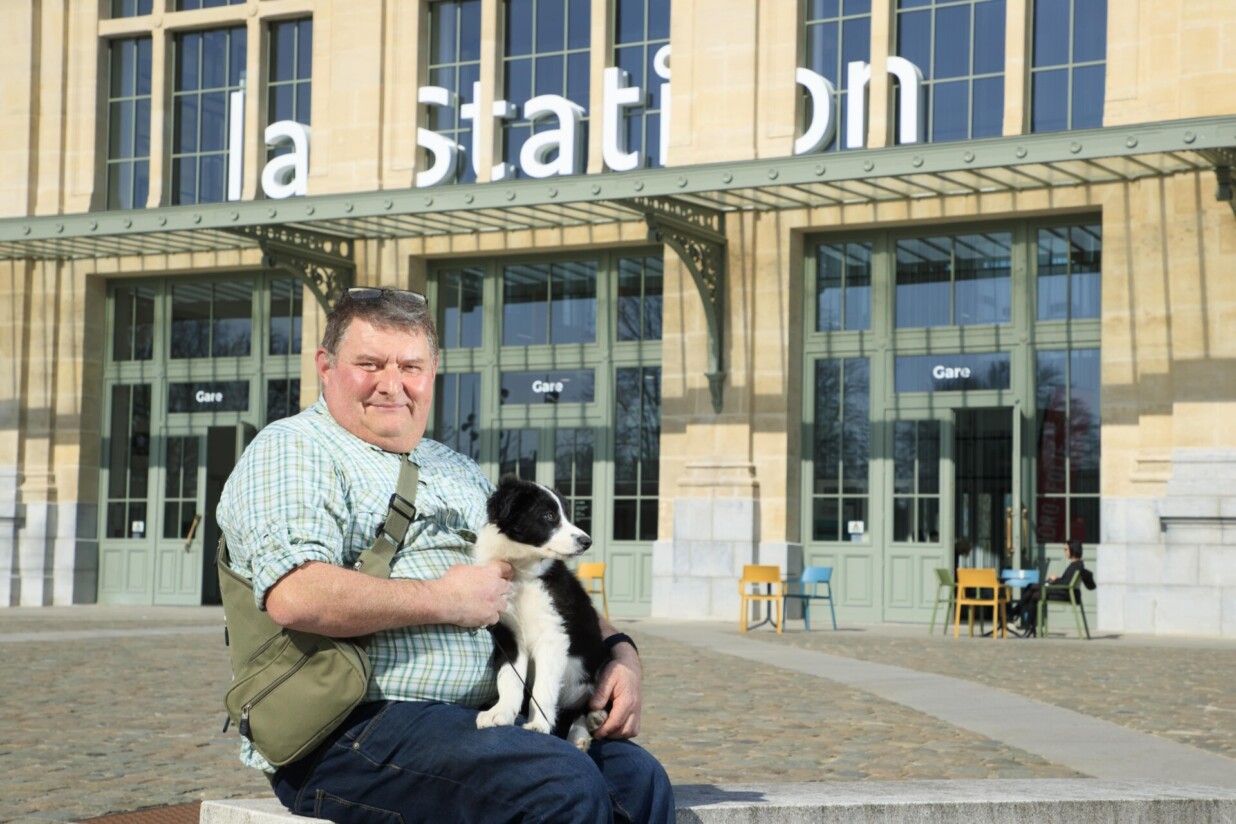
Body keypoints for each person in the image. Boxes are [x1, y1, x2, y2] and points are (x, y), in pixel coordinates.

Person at [216, 286, 674, 823]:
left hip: (476, 720)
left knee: (637, 779)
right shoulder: (293, 448)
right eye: (369, 364)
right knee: (559, 785)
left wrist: (620, 652)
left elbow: (540, 584)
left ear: (433, 370)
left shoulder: (457, 469)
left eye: (410, 366)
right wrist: (443, 599)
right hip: (350, 730)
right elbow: (298, 595)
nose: (392, 385)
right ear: (325, 365)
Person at [1011, 538, 1096, 637]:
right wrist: (1056, 579)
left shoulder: (1075, 566)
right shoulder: (1077, 565)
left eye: (1066, 549)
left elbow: (1066, 584)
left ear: (1073, 550)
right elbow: (1067, 581)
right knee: (1032, 591)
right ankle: (1026, 623)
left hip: (1066, 595)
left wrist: (1054, 580)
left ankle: (1018, 613)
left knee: (1033, 592)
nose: (1065, 552)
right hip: (1066, 593)